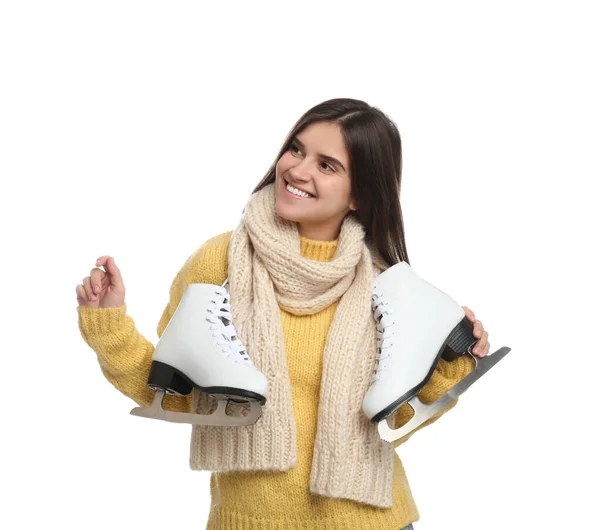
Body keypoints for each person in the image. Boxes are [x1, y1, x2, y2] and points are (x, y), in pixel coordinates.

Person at [76, 98, 490, 530]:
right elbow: (174, 393)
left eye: (327, 166)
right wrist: (108, 325)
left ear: (360, 196)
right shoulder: (220, 264)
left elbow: (395, 422)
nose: (297, 170)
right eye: (296, 149)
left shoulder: (385, 286)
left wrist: (450, 360)